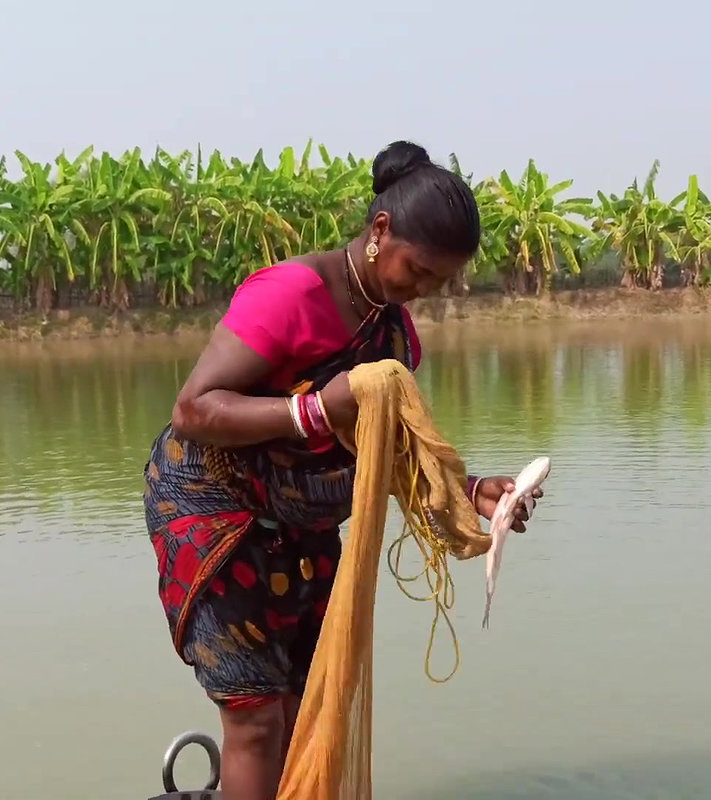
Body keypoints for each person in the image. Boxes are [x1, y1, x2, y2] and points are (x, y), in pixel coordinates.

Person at [142, 140, 544, 800]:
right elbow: (194, 409)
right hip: (218, 511)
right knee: (255, 720)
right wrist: (312, 412)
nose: (421, 290)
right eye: (417, 270)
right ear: (380, 230)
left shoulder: (393, 335)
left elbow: (385, 444)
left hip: (301, 526)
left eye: (438, 282)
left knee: (306, 705)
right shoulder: (292, 296)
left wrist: (470, 490)